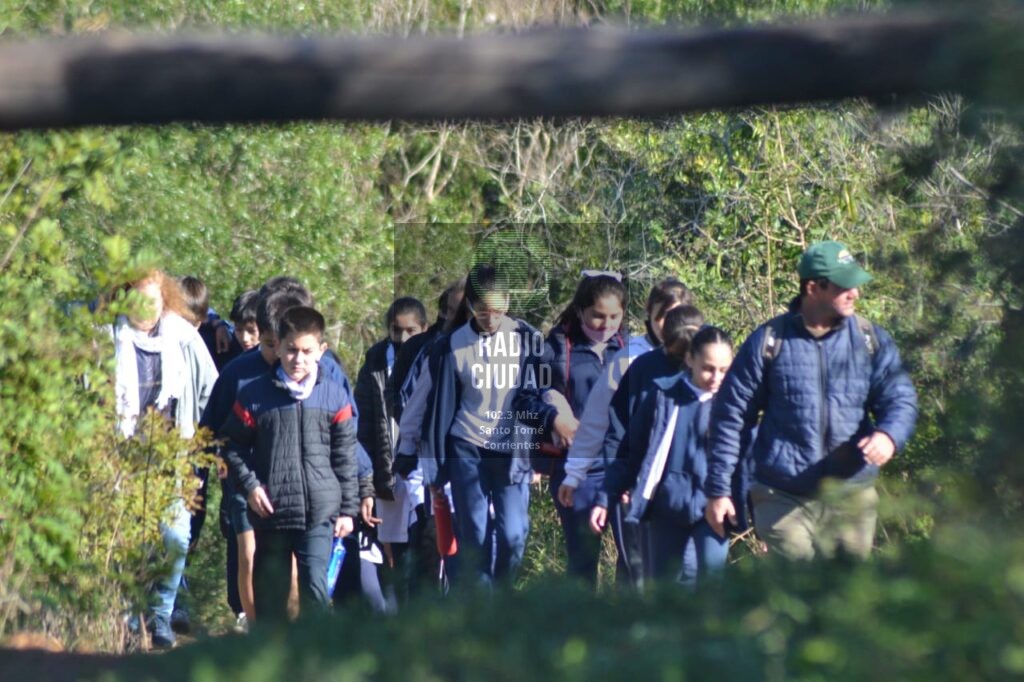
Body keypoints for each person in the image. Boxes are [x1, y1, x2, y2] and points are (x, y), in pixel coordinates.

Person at [705, 241, 918, 560]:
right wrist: (719, 489)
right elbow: (730, 416)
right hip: (782, 496)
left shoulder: (869, 341)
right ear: (813, 288)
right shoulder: (769, 342)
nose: (855, 293)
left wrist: (889, 435)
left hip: (851, 495)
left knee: (845, 589)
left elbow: (900, 398)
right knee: (798, 581)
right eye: (844, 286)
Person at [417, 264, 572, 585]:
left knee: (514, 533)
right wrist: (433, 468)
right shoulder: (450, 345)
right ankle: (484, 601)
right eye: (483, 311)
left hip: (512, 449)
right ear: (470, 305)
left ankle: (502, 593)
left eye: (498, 310)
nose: (491, 318)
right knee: (475, 534)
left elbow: (540, 394)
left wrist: (540, 451)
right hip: (467, 446)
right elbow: (439, 409)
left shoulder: (527, 339)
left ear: (508, 302)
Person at [219, 306, 359, 620]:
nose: (298, 359)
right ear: (278, 347)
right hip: (271, 514)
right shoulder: (254, 396)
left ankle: (316, 652)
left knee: (315, 593)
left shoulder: (334, 397)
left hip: (319, 514)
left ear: (321, 350)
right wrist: (251, 487)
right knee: (270, 603)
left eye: (307, 351)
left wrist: (348, 510)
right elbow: (231, 444)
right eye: (291, 350)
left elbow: (345, 456)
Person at [112, 270, 217, 648]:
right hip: (121, 457)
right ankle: (127, 619)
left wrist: (201, 447)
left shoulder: (183, 339)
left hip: (173, 455)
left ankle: (160, 614)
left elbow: (211, 390)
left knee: (175, 537)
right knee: (129, 543)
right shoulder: (108, 337)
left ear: (165, 300)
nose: (146, 307)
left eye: (154, 299)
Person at [593, 325, 737, 587]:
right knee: (664, 589)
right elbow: (631, 452)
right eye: (708, 368)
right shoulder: (663, 397)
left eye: (724, 370)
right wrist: (606, 497)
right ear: (690, 359)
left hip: (714, 507)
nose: (716, 378)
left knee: (709, 587)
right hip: (666, 508)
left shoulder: (734, 404)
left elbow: (749, 459)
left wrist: (755, 513)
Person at [536, 273, 626, 586]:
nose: (606, 325)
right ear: (580, 311)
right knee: (583, 560)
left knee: (634, 558)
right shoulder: (555, 349)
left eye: (615, 317)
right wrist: (552, 414)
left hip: (622, 466)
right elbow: (526, 397)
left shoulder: (630, 349)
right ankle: (581, 616)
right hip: (577, 469)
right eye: (597, 316)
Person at [355, 297, 428, 500]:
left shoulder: (437, 357)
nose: (404, 338)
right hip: (388, 474)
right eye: (397, 330)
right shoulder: (375, 362)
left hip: (426, 467)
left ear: (425, 328)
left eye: (411, 330)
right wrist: (368, 482)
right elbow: (364, 425)